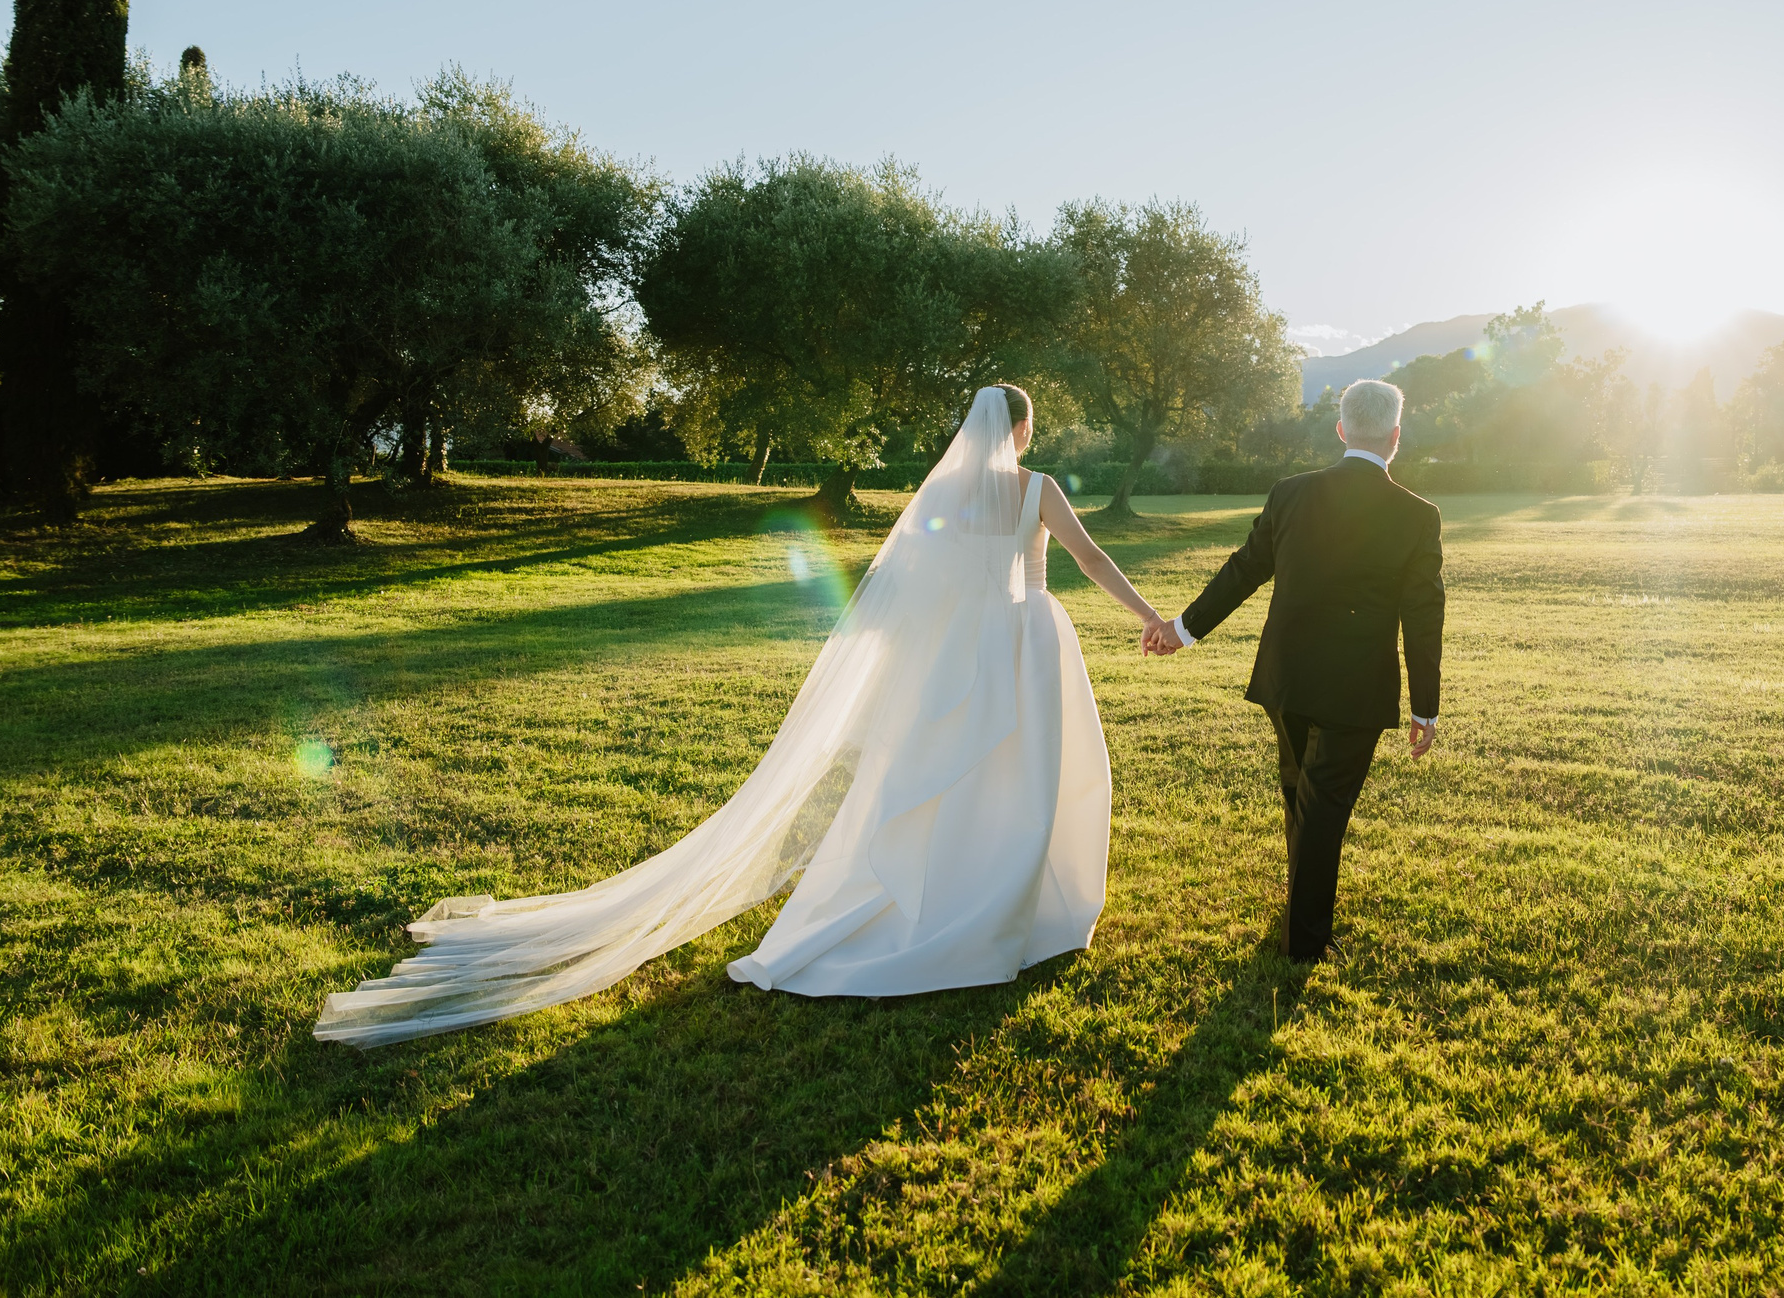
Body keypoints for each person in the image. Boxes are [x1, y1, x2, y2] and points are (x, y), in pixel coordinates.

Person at [316, 384, 1168, 1047]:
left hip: (960, 654)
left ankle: (956, 897)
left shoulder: (943, 494)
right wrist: (1147, 619)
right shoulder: (1039, 486)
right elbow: (1087, 556)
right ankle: (1013, 904)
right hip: (1027, 638)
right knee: (1024, 774)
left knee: (948, 778)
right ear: (1020, 431)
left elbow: (911, 589)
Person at [1145, 378, 1443, 962]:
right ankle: (1304, 943)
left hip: (1287, 677)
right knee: (1322, 804)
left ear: (1341, 430)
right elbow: (1424, 614)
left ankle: (1300, 910)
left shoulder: (1291, 493)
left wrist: (1183, 630)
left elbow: (1243, 570)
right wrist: (1425, 706)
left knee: (1302, 794)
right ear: (1395, 436)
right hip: (1356, 686)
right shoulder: (1417, 515)